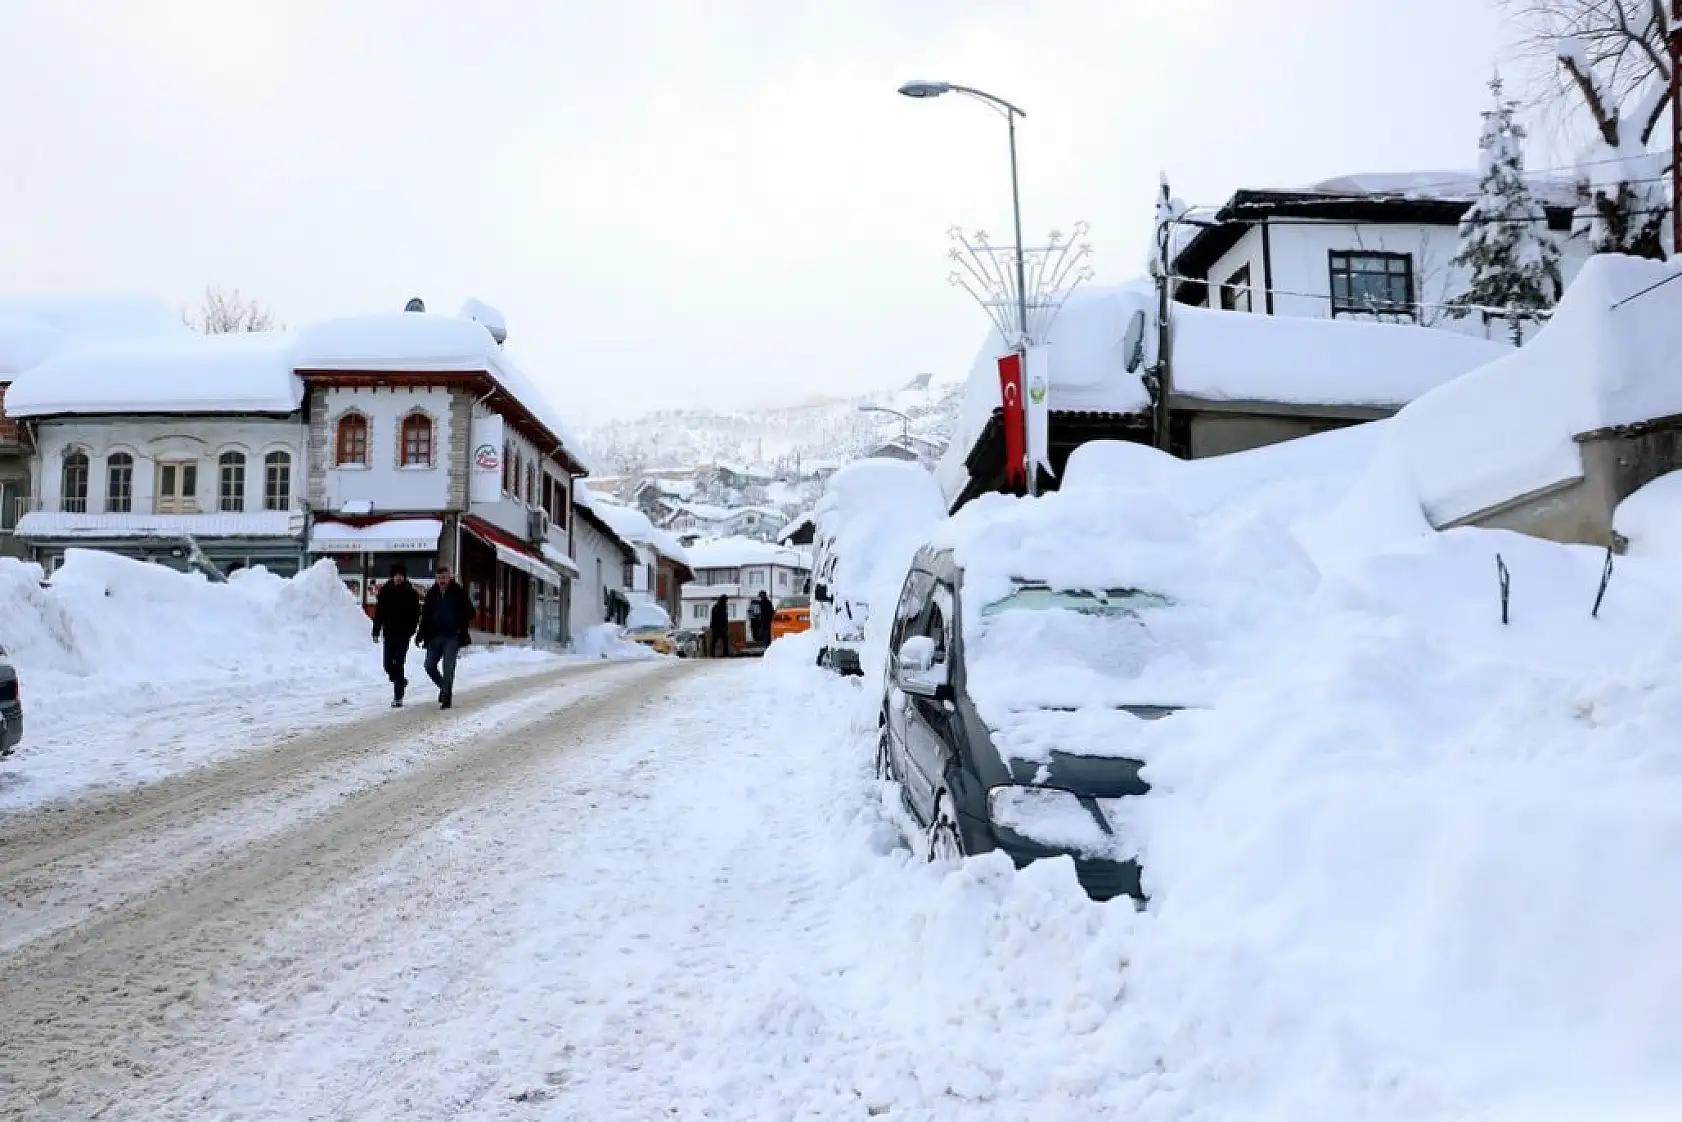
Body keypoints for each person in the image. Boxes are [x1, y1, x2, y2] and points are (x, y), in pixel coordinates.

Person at [416, 565, 475, 710]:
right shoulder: (432, 594)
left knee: (448, 668)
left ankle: (446, 698)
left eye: (444, 578)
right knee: (429, 666)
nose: (442, 581)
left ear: (449, 577)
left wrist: (458, 619)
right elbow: (425, 616)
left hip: (452, 637)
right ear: (436, 579)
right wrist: (420, 634)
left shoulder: (458, 592)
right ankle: (444, 687)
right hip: (434, 636)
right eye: (439, 578)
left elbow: (471, 612)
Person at [371, 563, 422, 707]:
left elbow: (416, 613)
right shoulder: (385, 591)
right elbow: (379, 612)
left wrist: (412, 629)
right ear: (392, 576)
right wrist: (376, 630)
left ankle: (398, 696)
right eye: (396, 575)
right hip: (389, 632)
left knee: (399, 663)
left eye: (401, 575)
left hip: (403, 634)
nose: (399, 578)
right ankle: (400, 681)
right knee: (387, 664)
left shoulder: (410, 592)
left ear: (404, 577)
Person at [709, 593, 730, 658]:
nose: (726, 601)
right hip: (718, 626)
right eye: (726, 600)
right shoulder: (720, 606)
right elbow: (721, 617)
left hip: (717, 626)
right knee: (721, 639)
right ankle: (724, 654)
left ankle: (713, 654)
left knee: (716, 640)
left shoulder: (717, 606)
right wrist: (724, 626)